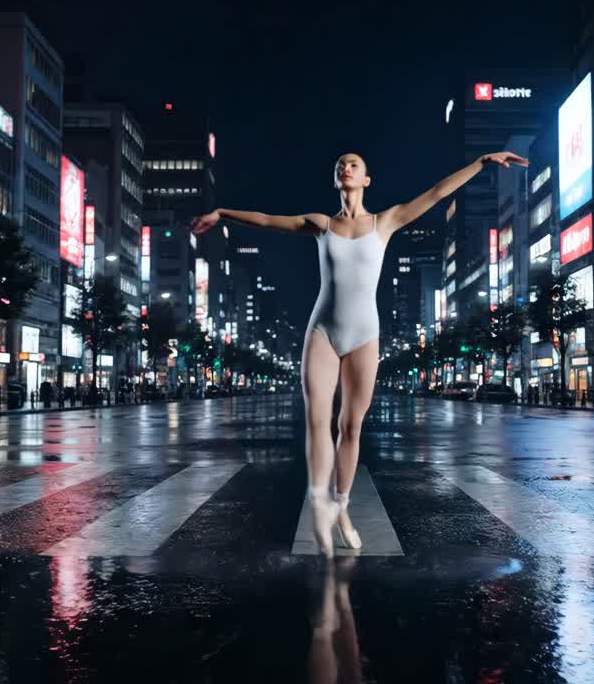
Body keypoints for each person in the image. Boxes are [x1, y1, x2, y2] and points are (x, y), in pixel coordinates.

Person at [192, 150, 528, 557]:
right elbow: (266, 220)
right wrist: (222, 213)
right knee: (318, 418)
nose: (345, 167)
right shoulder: (321, 225)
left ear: (367, 179)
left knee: (350, 427)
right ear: (336, 179)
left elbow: (438, 193)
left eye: (353, 164)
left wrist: (482, 162)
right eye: (339, 164)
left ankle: (342, 507)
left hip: (365, 335)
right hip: (322, 331)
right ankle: (319, 503)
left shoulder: (385, 222)